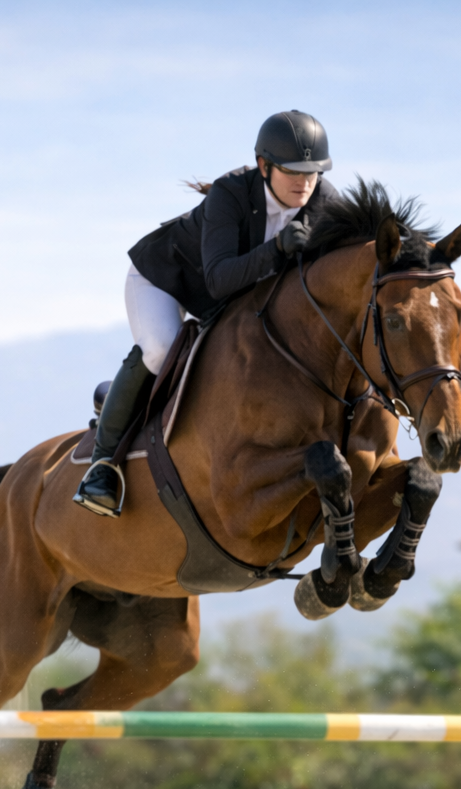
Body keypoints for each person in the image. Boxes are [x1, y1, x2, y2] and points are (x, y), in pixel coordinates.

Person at [73, 110, 340, 517]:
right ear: (264, 166)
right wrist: (278, 249)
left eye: (313, 172)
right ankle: (102, 465)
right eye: (292, 171)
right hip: (166, 279)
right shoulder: (231, 194)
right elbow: (218, 279)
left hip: (228, 302)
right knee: (162, 348)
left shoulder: (324, 201)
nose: (305, 182)